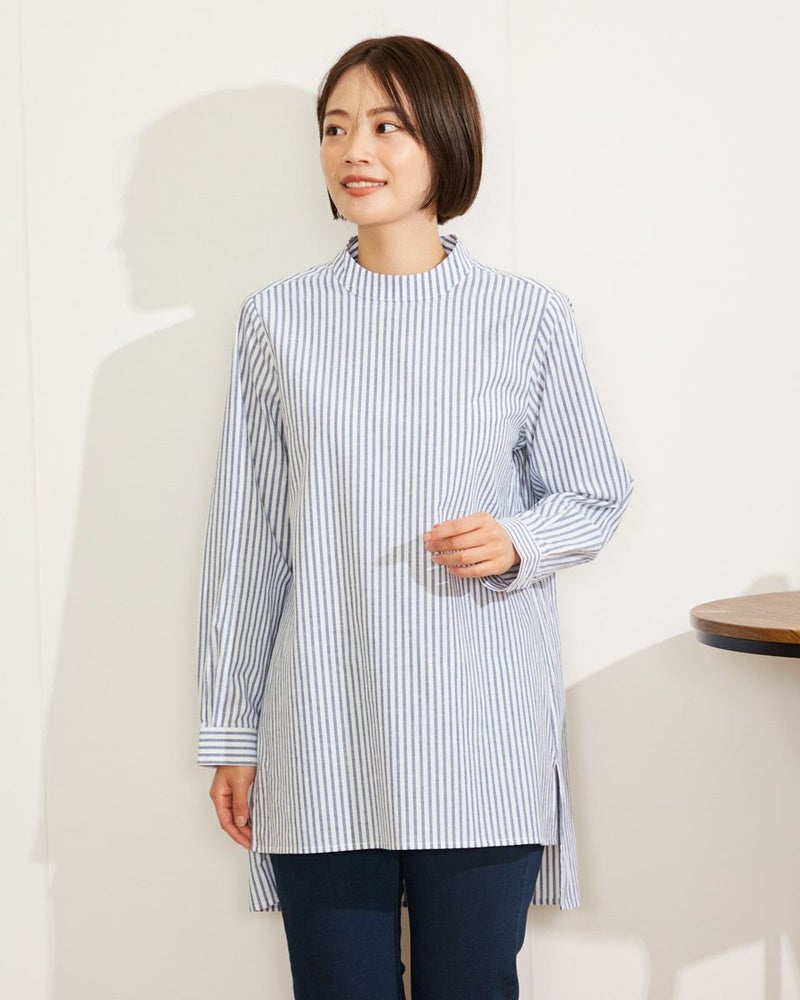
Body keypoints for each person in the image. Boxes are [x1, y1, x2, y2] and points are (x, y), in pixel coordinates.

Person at [196, 34, 634, 1000]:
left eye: (387, 125)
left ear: (445, 141)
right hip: (324, 731)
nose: (355, 149)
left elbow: (596, 492)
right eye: (336, 128)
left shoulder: (527, 316)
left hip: (479, 734)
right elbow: (248, 541)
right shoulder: (278, 322)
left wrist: (518, 539)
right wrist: (230, 732)